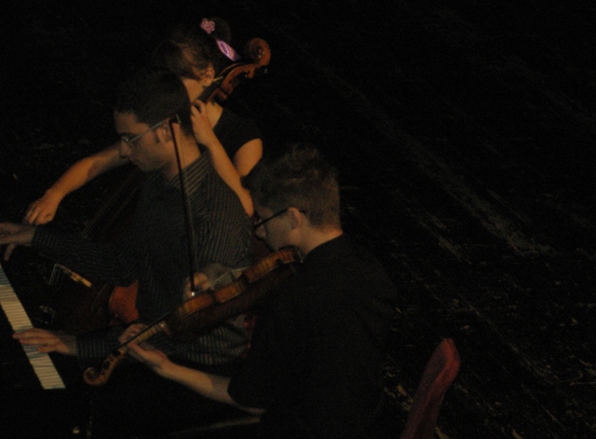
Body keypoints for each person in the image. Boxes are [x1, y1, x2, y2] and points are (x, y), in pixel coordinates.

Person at [0, 67, 253, 379]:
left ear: (166, 130)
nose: (124, 151)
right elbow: (122, 264)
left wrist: (81, 344)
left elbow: (188, 329)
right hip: (153, 346)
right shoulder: (156, 182)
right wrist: (35, 237)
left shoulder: (215, 216)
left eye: (130, 139)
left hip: (197, 368)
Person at [125, 143, 399, 438]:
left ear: (293, 218)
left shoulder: (292, 298)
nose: (259, 231)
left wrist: (167, 368)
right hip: (367, 424)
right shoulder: (372, 270)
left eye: (263, 219)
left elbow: (250, 400)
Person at [24, 17, 263, 224]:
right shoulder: (164, 118)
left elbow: (245, 207)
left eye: (177, 80)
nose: (168, 90)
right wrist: (54, 194)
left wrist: (210, 142)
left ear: (207, 75)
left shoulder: (242, 134)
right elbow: (100, 160)